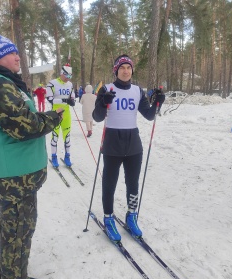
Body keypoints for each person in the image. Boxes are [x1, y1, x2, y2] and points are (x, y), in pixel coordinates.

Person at [0, 34, 64, 279]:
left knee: (5, 221)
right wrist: (51, 118)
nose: (17, 57)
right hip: (11, 175)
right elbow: (23, 125)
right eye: (11, 52)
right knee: (20, 227)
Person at [92, 54, 165, 242]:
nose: (126, 71)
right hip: (112, 142)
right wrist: (103, 101)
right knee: (110, 183)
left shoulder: (137, 90)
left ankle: (131, 215)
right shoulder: (106, 89)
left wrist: (157, 102)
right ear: (116, 70)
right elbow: (98, 117)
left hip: (133, 142)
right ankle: (108, 218)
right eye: (122, 68)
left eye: (129, 68)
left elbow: (149, 115)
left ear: (132, 70)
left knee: (133, 183)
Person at [46, 63, 75, 167]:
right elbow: (49, 99)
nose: (69, 78)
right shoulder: (52, 83)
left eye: (71, 76)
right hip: (56, 114)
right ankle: (54, 157)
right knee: (55, 136)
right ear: (62, 73)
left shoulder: (70, 84)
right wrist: (64, 100)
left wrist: (72, 101)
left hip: (66, 114)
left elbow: (72, 97)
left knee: (67, 137)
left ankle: (67, 157)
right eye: (67, 76)